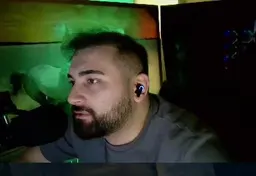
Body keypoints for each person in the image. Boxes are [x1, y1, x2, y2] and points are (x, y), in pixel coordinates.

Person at [17, 31, 227, 163]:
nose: (72, 98)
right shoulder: (86, 127)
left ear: (138, 88)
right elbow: (30, 159)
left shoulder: (193, 155)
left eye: (92, 81)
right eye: (73, 82)